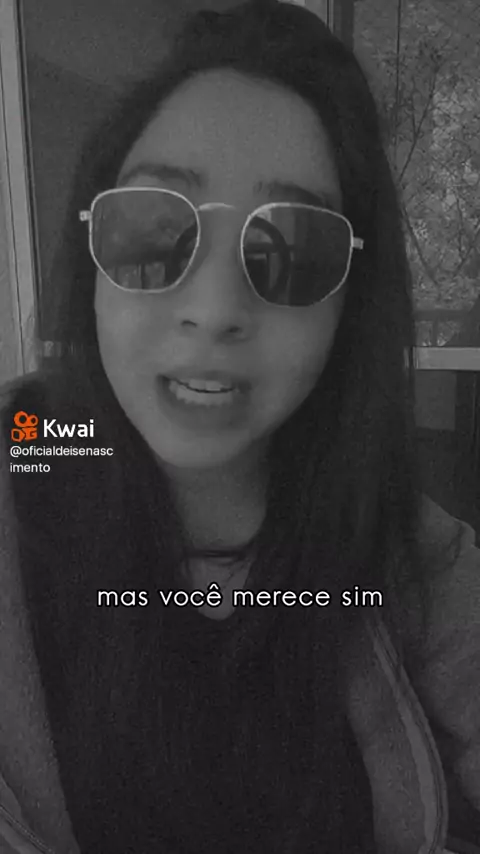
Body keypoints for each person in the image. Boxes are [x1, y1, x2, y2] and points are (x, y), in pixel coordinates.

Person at [0, 2, 479, 852]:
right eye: (155, 228)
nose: (215, 308)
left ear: (349, 306)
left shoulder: (411, 553)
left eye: (292, 248)